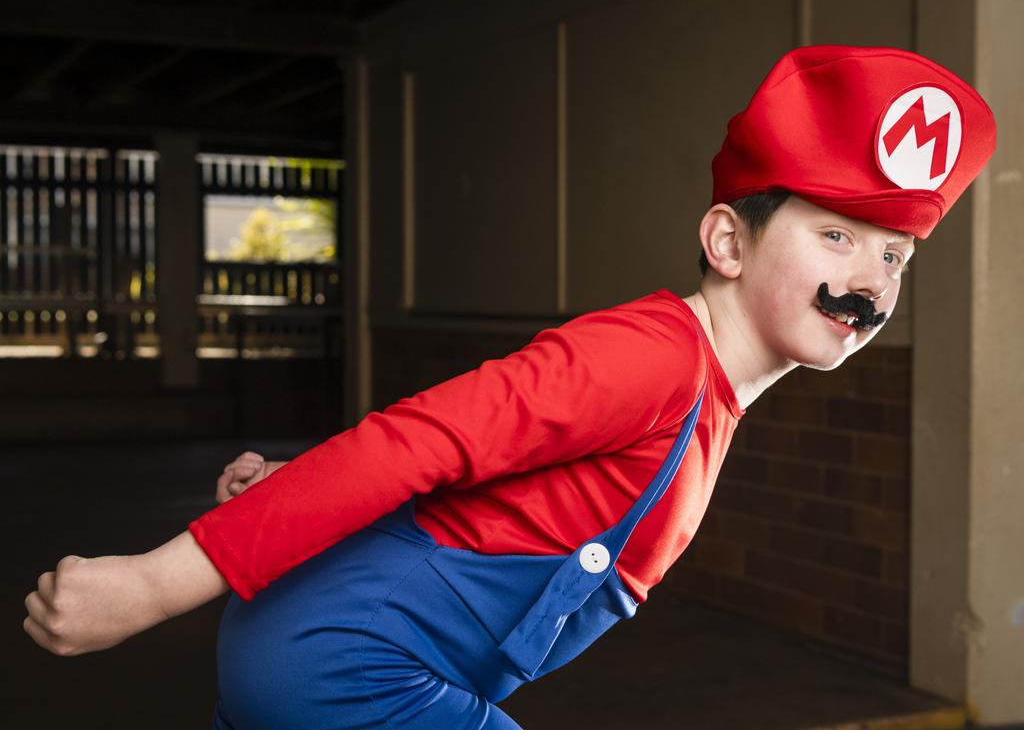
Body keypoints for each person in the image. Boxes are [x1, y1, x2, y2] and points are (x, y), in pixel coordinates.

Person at [23, 45, 996, 729]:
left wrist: (297, 484)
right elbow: (419, 438)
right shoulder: (652, 357)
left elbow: (482, 476)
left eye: (894, 255)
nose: (868, 280)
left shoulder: (709, 390)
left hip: (322, 654)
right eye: (834, 235)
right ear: (727, 242)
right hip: (344, 668)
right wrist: (152, 584)